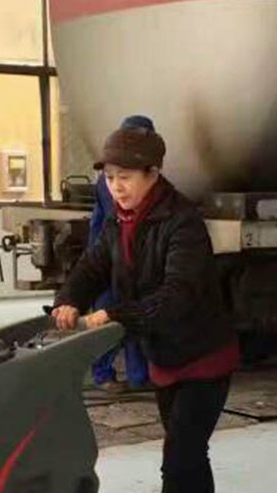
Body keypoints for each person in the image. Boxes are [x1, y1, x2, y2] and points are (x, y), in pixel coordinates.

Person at [52, 124, 240, 493]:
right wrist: (69, 298)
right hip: (165, 356)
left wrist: (117, 314)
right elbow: (93, 265)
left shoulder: (183, 223)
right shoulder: (120, 221)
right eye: (110, 177)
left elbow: (177, 296)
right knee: (190, 454)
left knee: (178, 459)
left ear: (153, 174)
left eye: (127, 177)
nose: (117, 186)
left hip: (204, 356)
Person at [86, 117, 152, 390]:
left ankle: (139, 377)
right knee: (111, 315)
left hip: (122, 256)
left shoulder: (113, 176)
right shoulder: (118, 180)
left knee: (130, 314)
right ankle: (104, 374)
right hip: (112, 258)